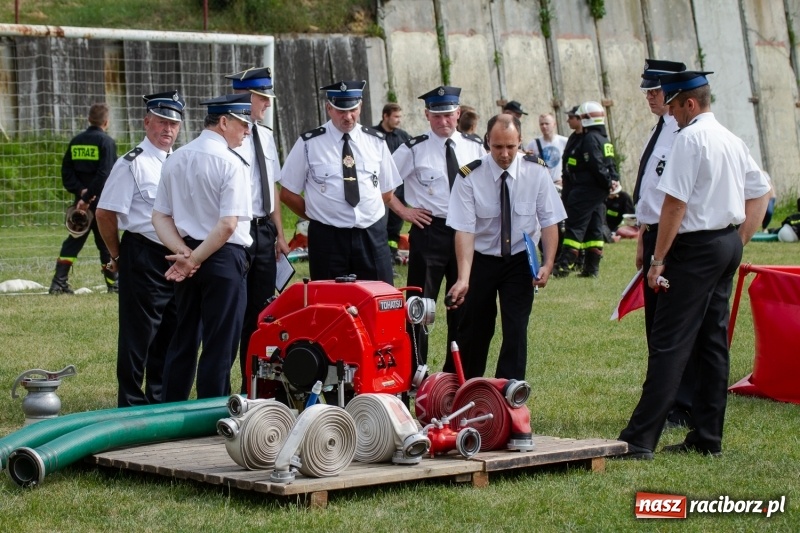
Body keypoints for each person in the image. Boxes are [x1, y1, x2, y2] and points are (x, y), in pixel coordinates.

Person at [617, 71, 771, 459]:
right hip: (722, 243)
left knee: (670, 343)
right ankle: (707, 437)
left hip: (693, 248)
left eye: (674, 105)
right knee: (712, 344)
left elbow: (675, 204)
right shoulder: (731, 138)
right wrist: (735, 241)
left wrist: (658, 260)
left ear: (690, 103)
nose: (671, 113)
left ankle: (639, 439)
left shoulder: (690, 139)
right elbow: (762, 192)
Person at [445, 114, 565, 380]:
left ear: (520, 141)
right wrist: (464, 278)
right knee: (475, 328)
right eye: (497, 147)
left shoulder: (537, 171)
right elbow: (464, 229)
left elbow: (548, 221)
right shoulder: (469, 176)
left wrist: (547, 264)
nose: (504, 154)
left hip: (520, 260)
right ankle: (467, 390)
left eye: (510, 147)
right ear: (487, 141)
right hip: (482, 260)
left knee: (516, 329)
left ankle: (508, 395)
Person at [152, 93, 253, 401]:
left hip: (188, 254)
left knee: (183, 337)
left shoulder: (176, 157)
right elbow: (227, 225)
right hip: (222, 256)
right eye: (242, 124)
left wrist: (183, 254)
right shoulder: (231, 163)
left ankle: (169, 410)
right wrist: (190, 258)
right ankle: (212, 412)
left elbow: (160, 216)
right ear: (224, 122)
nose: (247, 131)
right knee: (219, 343)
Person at [388, 85, 485, 374]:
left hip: (465, 233)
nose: (444, 122)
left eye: (449, 115)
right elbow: (384, 184)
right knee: (419, 307)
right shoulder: (413, 148)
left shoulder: (475, 146)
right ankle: (414, 371)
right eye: (437, 116)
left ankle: (454, 374)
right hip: (430, 230)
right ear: (427, 115)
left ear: (458, 114)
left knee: (463, 306)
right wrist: (404, 211)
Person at [96, 91, 184, 407]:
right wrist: (117, 256)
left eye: (174, 124)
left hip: (177, 257)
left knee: (171, 332)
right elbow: (105, 213)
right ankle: (131, 401)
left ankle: (157, 397)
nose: (168, 130)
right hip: (143, 253)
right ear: (146, 122)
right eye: (161, 122)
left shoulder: (180, 161)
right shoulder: (132, 163)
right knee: (139, 334)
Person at [280, 80, 401, 284]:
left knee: (378, 299)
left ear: (360, 106)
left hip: (370, 235)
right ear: (329, 108)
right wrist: (316, 214)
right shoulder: (309, 143)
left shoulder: (376, 141)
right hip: (328, 238)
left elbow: (387, 191)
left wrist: (364, 210)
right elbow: (287, 193)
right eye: (340, 111)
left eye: (353, 110)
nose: (348, 117)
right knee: (329, 303)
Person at [630, 59, 697, 429]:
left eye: (655, 91)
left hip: (677, 235)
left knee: (674, 326)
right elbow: (651, 191)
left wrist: (662, 247)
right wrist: (644, 236)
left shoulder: (683, 132)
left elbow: (676, 197)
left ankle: (681, 402)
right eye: (647, 92)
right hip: (656, 232)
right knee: (657, 325)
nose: (650, 98)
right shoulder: (663, 128)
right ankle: (665, 397)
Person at [225, 67, 290, 395]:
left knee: (263, 313)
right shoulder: (226, 134)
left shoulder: (264, 135)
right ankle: (222, 390)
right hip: (235, 230)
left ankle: (256, 386)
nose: (266, 105)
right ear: (245, 96)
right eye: (262, 98)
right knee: (231, 312)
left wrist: (279, 233)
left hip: (263, 231)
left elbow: (272, 188)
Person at [49, 102, 118, 294]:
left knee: (73, 242)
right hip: (100, 204)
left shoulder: (76, 141)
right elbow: (105, 174)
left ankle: (58, 283)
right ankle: (114, 285)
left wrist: (81, 193)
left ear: (89, 119)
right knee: (106, 243)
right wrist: (89, 197)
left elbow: (66, 172)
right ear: (106, 122)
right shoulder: (106, 142)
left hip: (80, 206)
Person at [553, 101, 619, 278]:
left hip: (586, 190)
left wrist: (607, 182)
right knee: (594, 228)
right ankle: (591, 268)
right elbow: (610, 163)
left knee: (575, 227)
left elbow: (595, 164)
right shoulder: (604, 139)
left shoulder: (589, 139)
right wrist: (613, 181)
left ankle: (563, 265)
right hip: (598, 192)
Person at [374, 102, 412, 266]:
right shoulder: (373, 135)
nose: (398, 120)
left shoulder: (403, 137)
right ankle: (382, 256)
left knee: (394, 229)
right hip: (380, 193)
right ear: (385, 116)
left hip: (399, 192)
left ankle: (393, 253)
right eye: (395, 117)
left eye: (400, 117)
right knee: (380, 227)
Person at [525, 113, 568, 186]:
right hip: (542, 184)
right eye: (541, 124)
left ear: (554, 124)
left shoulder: (564, 141)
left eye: (547, 124)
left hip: (560, 184)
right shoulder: (533, 144)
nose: (544, 126)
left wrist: (566, 179)